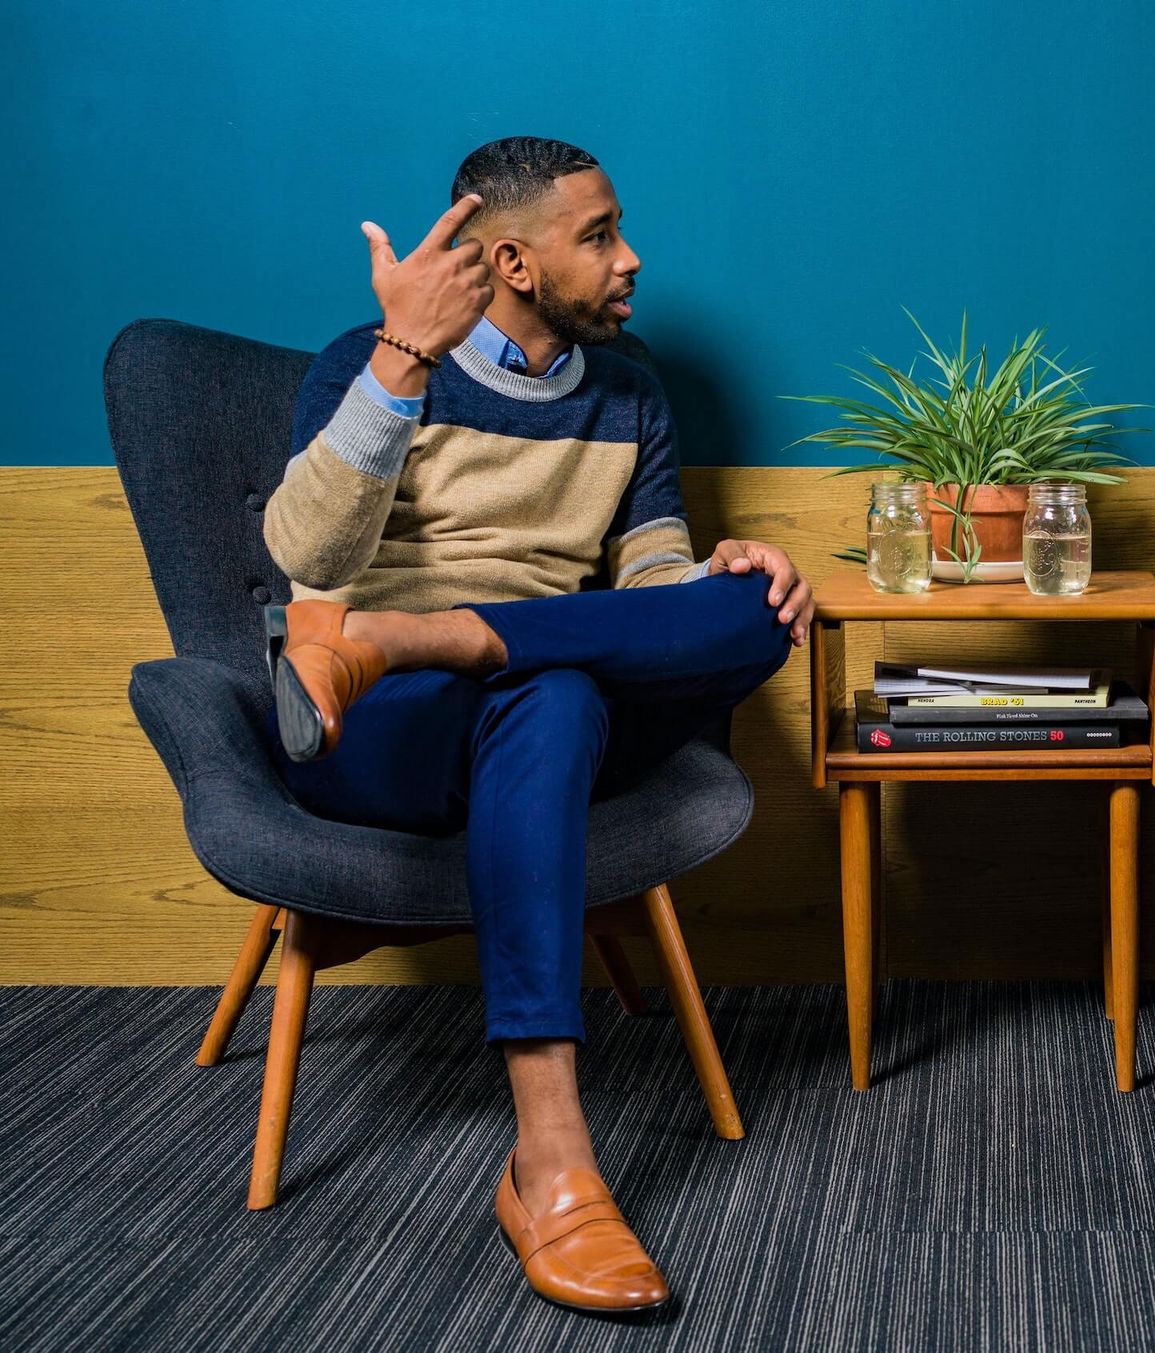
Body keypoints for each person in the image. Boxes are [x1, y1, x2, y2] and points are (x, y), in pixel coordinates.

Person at [261, 137, 816, 1314]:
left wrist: (712, 574)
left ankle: (422, 635)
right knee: (555, 688)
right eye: (600, 236)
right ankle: (552, 1156)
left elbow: (649, 563)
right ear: (512, 259)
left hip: (506, 696)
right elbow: (305, 559)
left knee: (756, 614)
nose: (631, 259)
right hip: (371, 726)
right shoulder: (368, 366)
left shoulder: (629, 390)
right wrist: (403, 361)